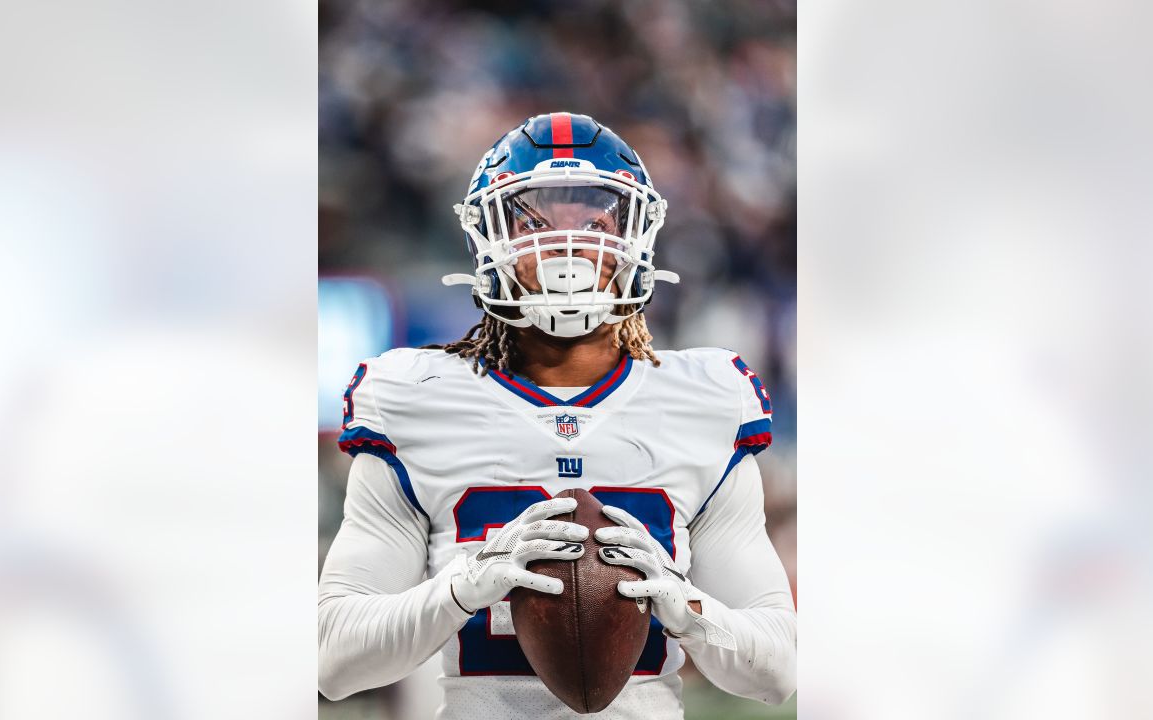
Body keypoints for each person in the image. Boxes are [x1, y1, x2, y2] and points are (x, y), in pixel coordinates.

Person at [319, 112, 796, 719]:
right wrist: (462, 588)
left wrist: (685, 606)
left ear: (637, 237)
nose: (568, 247)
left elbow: (776, 671)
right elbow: (333, 659)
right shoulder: (415, 396)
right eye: (534, 222)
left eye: (596, 221)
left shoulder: (705, 397)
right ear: (486, 239)